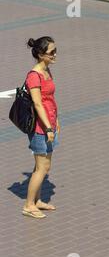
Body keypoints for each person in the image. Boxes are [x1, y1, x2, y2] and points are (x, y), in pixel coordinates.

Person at [22, 36, 59, 219]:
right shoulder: (34, 76)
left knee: (45, 166)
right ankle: (28, 205)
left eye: (55, 50)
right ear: (40, 54)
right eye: (51, 52)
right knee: (41, 168)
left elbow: (50, 100)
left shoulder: (47, 71)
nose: (55, 55)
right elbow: (37, 104)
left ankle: (37, 201)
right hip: (40, 128)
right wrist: (48, 128)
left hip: (50, 125)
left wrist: (55, 122)